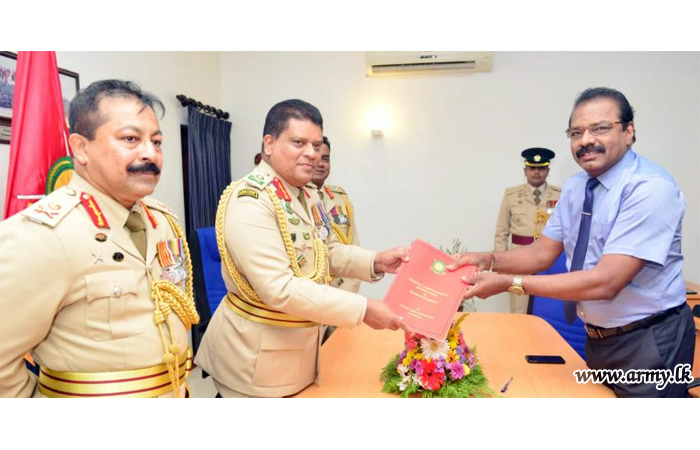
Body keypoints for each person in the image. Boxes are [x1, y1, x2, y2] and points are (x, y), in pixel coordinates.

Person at [449, 87, 694, 397]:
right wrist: (486, 259)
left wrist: (508, 282)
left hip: (650, 340)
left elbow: (606, 282)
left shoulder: (650, 188)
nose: (586, 139)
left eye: (600, 128)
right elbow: (541, 253)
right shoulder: (577, 187)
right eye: (576, 132)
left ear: (629, 131)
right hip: (598, 338)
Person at [195, 99, 409, 398]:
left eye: (316, 144)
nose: (312, 153)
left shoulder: (304, 194)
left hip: (298, 349)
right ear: (269, 143)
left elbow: (325, 250)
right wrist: (363, 309)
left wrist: (376, 261)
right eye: (298, 142)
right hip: (256, 361)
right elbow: (278, 288)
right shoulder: (251, 200)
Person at [0, 79, 199, 398]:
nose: (150, 153)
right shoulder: (42, 234)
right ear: (80, 148)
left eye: (157, 141)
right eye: (131, 139)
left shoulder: (163, 220)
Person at [494, 148, 561, 313]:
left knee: (548, 306)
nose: (536, 172)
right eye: (532, 168)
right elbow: (501, 233)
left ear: (548, 170)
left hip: (550, 259)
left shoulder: (561, 196)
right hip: (518, 257)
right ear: (525, 170)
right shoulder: (511, 196)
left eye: (541, 168)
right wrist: (501, 264)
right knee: (520, 307)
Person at [311, 136, 363, 340]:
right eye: (316, 157)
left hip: (341, 301)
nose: (321, 163)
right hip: (306, 305)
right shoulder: (289, 200)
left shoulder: (340, 198)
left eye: (326, 158)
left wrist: (343, 300)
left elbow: (354, 249)